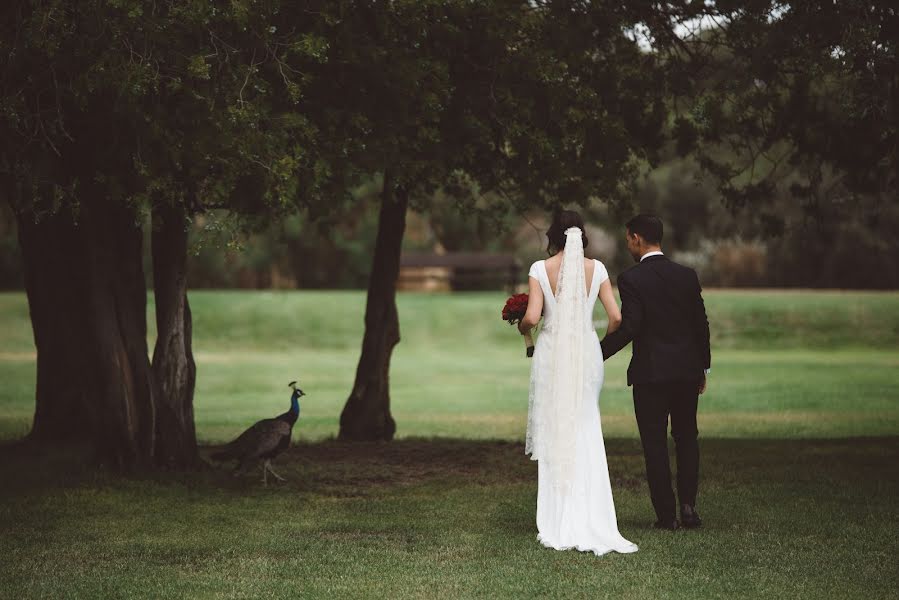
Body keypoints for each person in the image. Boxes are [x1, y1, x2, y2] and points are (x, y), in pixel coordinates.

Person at [517, 209, 638, 556]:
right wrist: (592, 344)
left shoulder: (540, 270)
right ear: (581, 236)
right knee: (586, 423)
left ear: (553, 236)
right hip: (587, 354)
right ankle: (592, 512)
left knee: (557, 426)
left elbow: (532, 317)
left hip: (552, 353)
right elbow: (616, 317)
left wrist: (523, 329)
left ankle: (558, 516)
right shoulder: (597, 269)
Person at [600, 214, 711, 530]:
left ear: (636, 238)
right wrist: (702, 366)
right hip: (687, 372)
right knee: (687, 437)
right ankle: (688, 508)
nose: (628, 246)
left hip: (651, 375)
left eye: (628, 240)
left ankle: (667, 516)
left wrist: (596, 353)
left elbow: (631, 326)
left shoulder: (632, 279)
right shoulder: (687, 276)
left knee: (655, 443)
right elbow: (700, 325)